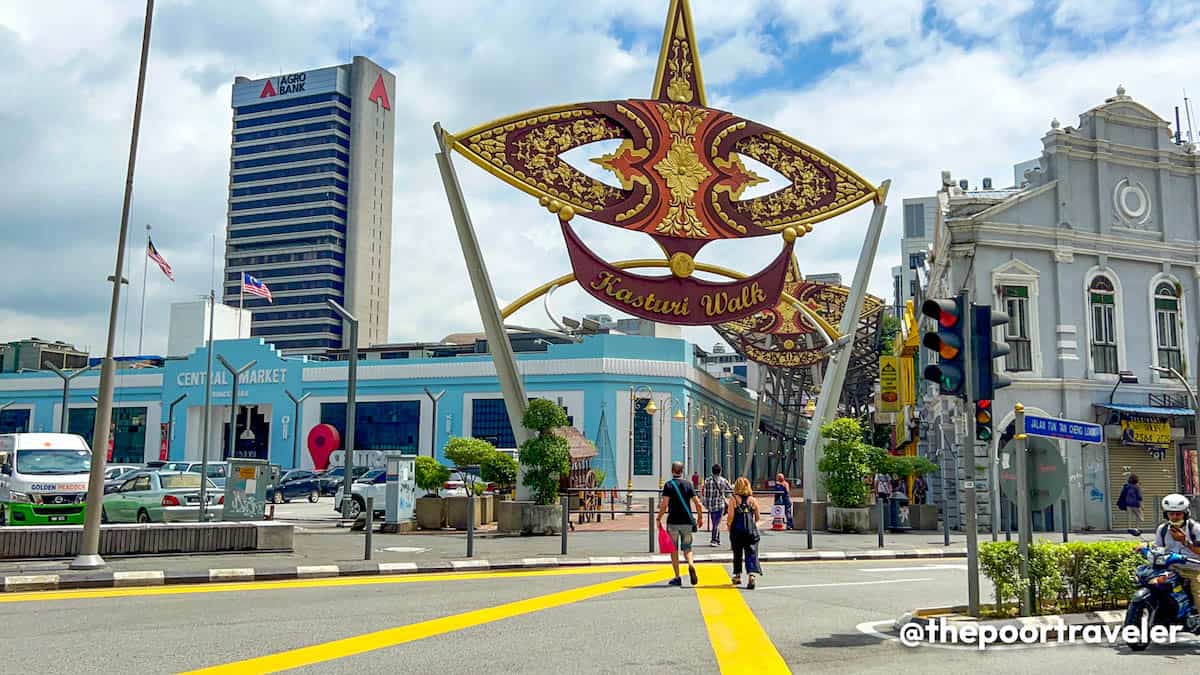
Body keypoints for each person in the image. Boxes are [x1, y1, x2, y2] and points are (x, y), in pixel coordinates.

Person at [1152, 494, 1200, 629]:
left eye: (1178, 514)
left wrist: (1184, 541)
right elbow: (1159, 548)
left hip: (1194, 568)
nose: (1174, 517)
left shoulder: (1195, 528)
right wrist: (1147, 550)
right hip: (1171, 568)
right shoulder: (1162, 530)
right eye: (1171, 514)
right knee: (1153, 584)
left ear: (1185, 514)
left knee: (1198, 594)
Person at [657, 460, 704, 587]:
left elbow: (664, 504)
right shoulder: (688, 484)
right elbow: (698, 503)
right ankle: (691, 564)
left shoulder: (669, 485)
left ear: (672, 471)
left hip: (673, 522)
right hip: (687, 522)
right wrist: (700, 517)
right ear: (682, 471)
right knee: (687, 548)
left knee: (674, 549)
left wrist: (659, 517)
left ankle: (677, 576)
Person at [727, 476, 762, 589]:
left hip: (737, 531)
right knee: (751, 552)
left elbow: (730, 516)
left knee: (737, 553)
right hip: (751, 531)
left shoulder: (733, 499)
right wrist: (753, 525)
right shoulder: (753, 500)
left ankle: (737, 576)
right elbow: (757, 517)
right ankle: (751, 575)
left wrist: (729, 526)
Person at [702, 464, 733, 546]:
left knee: (715, 522)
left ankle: (717, 539)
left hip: (711, 505)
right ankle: (714, 540)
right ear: (720, 471)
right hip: (720, 504)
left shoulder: (707, 481)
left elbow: (704, 494)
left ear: (712, 471)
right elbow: (730, 489)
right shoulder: (723, 480)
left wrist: (705, 504)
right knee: (717, 523)